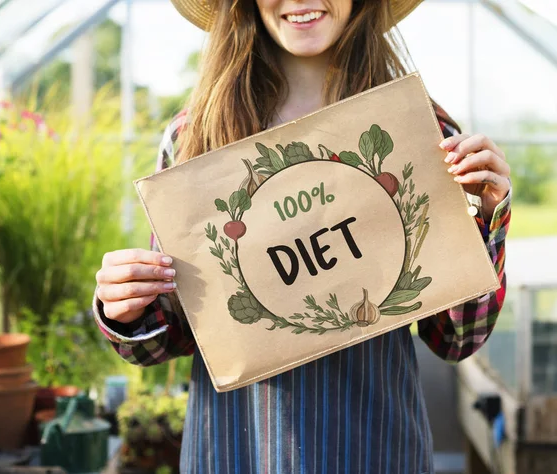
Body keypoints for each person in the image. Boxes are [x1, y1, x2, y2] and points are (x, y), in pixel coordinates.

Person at [93, 1, 511, 472]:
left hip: (374, 449)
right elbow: (173, 335)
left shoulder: (420, 131)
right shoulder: (196, 137)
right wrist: (126, 306)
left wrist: (486, 218)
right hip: (239, 451)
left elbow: (455, 339)